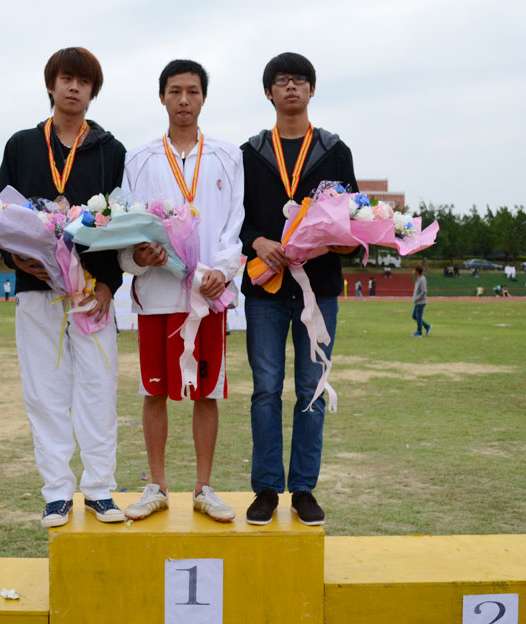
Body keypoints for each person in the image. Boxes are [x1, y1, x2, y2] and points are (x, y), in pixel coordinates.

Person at [0, 47, 126, 528]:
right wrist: (14, 259)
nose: (74, 87)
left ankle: (100, 489)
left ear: (93, 91)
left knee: (98, 389)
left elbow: (123, 224)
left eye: (83, 81)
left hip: (92, 293)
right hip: (37, 289)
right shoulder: (22, 145)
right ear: (51, 85)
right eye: (66, 78)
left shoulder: (111, 150)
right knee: (43, 392)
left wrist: (109, 283)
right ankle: (55, 492)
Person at [120, 59, 244, 523]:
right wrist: (140, 257)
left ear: (203, 98)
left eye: (192, 91)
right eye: (175, 91)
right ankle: (156, 486)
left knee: (206, 393)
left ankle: (204, 488)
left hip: (207, 298)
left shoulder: (228, 157)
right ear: (162, 97)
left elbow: (235, 224)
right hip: (155, 296)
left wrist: (223, 272)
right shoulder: (139, 159)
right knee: (153, 392)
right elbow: (126, 228)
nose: (184, 100)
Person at [240, 52, 359, 527]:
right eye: (282, 80)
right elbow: (236, 217)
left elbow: (351, 215)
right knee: (265, 390)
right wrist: (257, 240)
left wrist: (342, 241)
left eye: (300, 80)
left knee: (312, 389)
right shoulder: (250, 153)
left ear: (311, 90)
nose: (291, 87)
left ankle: (304, 489)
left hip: (319, 288)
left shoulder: (334, 150)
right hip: (265, 291)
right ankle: (267, 489)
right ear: (268, 92)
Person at [411, 264, 432, 337]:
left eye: (414, 270)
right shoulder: (418, 279)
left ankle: (419, 332)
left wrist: (417, 298)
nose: (413, 271)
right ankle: (427, 326)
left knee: (418, 317)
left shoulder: (422, 279)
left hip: (421, 302)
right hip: (417, 302)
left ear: (417, 271)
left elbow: (424, 291)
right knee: (414, 316)